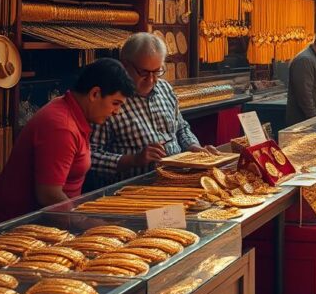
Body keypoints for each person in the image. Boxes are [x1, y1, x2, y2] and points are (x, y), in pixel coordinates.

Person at [0, 59, 135, 227]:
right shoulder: (62, 127)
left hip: (44, 224)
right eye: (115, 103)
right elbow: (49, 195)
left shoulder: (70, 110)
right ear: (95, 94)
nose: (117, 112)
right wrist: (90, 224)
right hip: (12, 229)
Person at [89, 34, 220, 187]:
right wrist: (134, 160)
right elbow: (91, 156)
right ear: (125, 65)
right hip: (135, 190)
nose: (151, 80)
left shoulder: (164, 88)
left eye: (157, 72)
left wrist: (194, 148)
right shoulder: (109, 99)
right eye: (144, 73)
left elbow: (181, 128)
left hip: (177, 179)